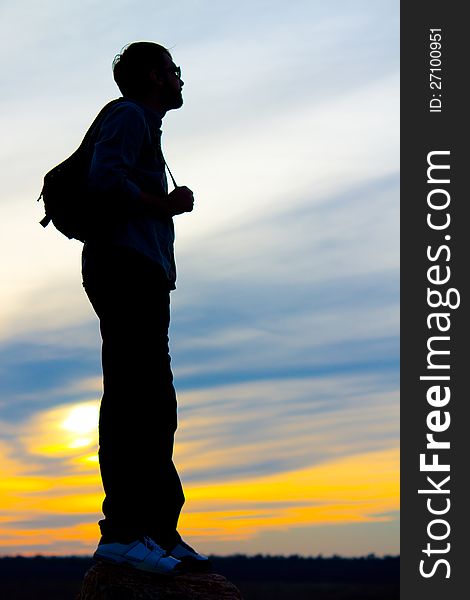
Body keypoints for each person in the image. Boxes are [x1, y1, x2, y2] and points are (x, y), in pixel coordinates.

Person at [81, 42, 209, 575]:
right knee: (136, 398)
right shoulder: (130, 116)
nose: (181, 80)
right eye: (175, 71)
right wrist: (166, 204)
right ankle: (124, 533)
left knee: (154, 401)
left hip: (142, 273)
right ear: (156, 76)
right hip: (125, 268)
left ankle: (157, 530)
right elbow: (104, 181)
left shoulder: (144, 124)